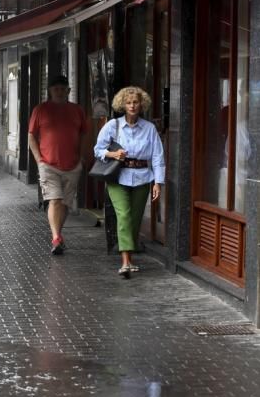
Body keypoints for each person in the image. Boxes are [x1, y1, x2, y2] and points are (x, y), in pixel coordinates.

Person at [94, 86, 165, 278]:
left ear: (141, 105)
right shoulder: (112, 126)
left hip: (142, 177)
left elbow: (158, 157)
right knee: (124, 215)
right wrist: (113, 153)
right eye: (128, 102)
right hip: (118, 177)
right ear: (122, 105)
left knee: (134, 219)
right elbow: (98, 150)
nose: (132, 106)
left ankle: (130, 256)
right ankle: (125, 262)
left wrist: (158, 183)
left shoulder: (149, 128)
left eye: (135, 102)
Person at [28, 74, 88, 255]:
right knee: (54, 199)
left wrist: (82, 157)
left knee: (66, 203)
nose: (60, 92)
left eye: (63, 89)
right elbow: (31, 135)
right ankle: (55, 238)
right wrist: (39, 159)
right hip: (48, 164)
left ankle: (58, 235)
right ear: (50, 91)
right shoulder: (40, 110)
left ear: (68, 91)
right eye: (56, 89)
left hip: (73, 164)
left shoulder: (77, 110)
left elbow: (85, 133)